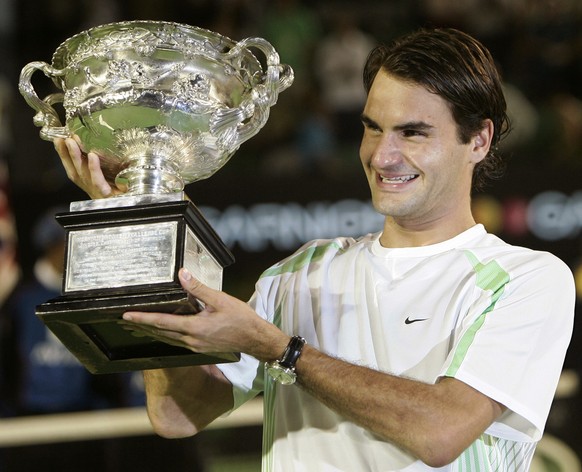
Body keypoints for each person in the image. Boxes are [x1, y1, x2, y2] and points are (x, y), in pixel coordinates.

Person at [54, 27, 575, 471]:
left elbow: (441, 430)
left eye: (413, 133)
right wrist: (146, 225)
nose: (382, 155)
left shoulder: (524, 278)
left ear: (479, 141)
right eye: (372, 128)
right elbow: (176, 416)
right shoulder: (300, 271)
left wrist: (282, 350)